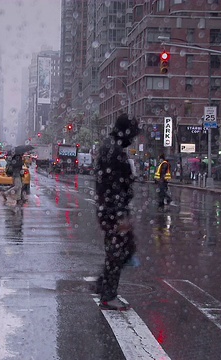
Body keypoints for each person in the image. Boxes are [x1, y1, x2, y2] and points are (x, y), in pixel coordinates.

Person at [94, 113, 139, 311]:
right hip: (114, 210)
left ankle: (103, 284)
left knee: (121, 249)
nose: (133, 139)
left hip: (110, 209)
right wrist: (120, 214)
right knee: (118, 251)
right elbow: (114, 185)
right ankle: (108, 294)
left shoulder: (110, 147)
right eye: (132, 134)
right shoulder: (114, 152)